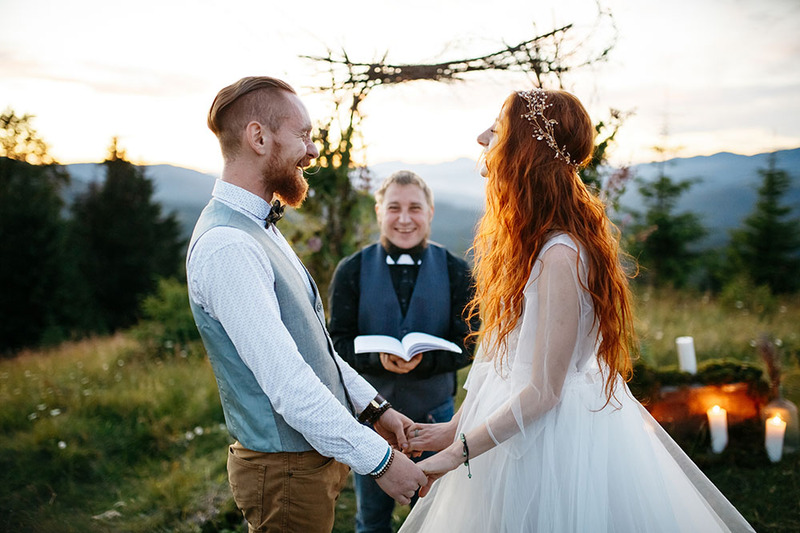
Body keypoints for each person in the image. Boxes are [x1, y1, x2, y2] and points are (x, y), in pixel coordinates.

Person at [398, 88, 755, 532]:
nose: (481, 137)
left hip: (551, 443)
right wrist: (455, 427)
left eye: (498, 127)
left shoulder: (560, 255)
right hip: (509, 432)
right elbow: (509, 359)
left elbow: (545, 391)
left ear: (525, 150)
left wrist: (457, 453)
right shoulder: (531, 243)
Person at [185, 76, 427, 533]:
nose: (313, 151)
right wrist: (380, 463)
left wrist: (375, 409)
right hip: (285, 473)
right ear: (259, 137)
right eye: (304, 135)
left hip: (313, 459)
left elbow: (314, 345)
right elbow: (289, 385)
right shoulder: (228, 246)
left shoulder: (261, 225)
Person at [328, 170, 477, 533]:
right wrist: (376, 360)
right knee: (372, 520)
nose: (405, 218)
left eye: (415, 208)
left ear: (430, 212)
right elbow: (337, 344)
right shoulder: (351, 271)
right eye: (394, 208)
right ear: (379, 211)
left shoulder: (458, 271)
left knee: (444, 518)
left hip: (437, 418)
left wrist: (425, 361)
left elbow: (471, 343)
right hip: (372, 423)